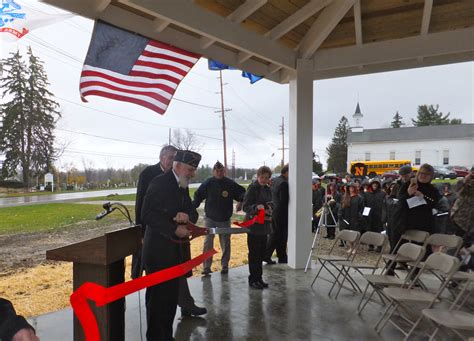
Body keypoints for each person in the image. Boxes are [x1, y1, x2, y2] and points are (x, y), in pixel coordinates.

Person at [134, 145, 206, 319]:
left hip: (174, 253)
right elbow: (146, 214)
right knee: (158, 303)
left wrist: (186, 216)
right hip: (158, 253)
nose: (192, 174)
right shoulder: (159, 182)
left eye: (194, 170)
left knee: (169, 303)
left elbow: (192, 211)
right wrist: (174, 228)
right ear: (178, 166)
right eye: (190, 169)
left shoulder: (181, 184)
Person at [193, 161, 246, 275]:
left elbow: (242, 192)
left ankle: (225, 265)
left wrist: (241, 201)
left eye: (221, 170)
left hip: (224, 218)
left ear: (224, 171)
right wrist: (192, 207)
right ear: (213, 172)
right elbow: (198, 195)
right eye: (217, 171)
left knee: (225, 242)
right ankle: (206, 267)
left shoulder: (230, 183)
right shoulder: (208, 183)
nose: (219, 172)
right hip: (210, 218)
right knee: (208, 242)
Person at [243, 166, 273, 289]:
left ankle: (259, 278)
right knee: (254, 254)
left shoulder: (267, 189)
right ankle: (253, 279)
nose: (264, 180)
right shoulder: (252, 188)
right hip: (254, 226)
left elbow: (271, 203)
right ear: (258, 176)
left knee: (261, 254)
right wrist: (256, 208)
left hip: (264, 225)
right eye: (262, 177)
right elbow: (246, 206)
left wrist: (270, 208)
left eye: (266, 178)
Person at [397, 163, 441, 236]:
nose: (423, 176)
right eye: (421, 173)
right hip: (407, 222)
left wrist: (423, 196)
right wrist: (408, 193)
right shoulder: (408, 184)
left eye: (427, 174)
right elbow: (400, 201)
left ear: (431, 176)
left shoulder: (433, 189)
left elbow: (434, 203)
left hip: (424, 223)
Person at [265, 164, 289, 264]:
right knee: (281, 236)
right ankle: (277, 256)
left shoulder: (275, 180)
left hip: (275, 211)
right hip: (282, 213)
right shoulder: (284, 183)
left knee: (275, 234)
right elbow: (284, 200)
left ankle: (278, 256)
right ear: (287, 172)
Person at [338, 182, 364, 253]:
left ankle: (355, 248)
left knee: (355, 233)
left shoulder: (359, 198)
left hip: (355, 218)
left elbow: (362, 208)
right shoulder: (345, 197)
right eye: (350, 188)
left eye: (352, 188)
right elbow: (341, 207)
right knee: (349, 233)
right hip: (347, 218)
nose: (351, 189)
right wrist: (340, 214)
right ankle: (351, 247)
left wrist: (360, 216)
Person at [363, 178, 385, 251]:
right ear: (371, 185)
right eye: (373, 184)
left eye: (376, 184)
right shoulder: (366, 194)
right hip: (370, 216)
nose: (375, 185)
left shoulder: (382, 193)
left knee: (379, 231)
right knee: (370, 230)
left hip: (379, 216)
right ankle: (371, 245)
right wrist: (365, 215)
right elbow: (365, 205)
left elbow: (385, 205)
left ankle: (379, 246)